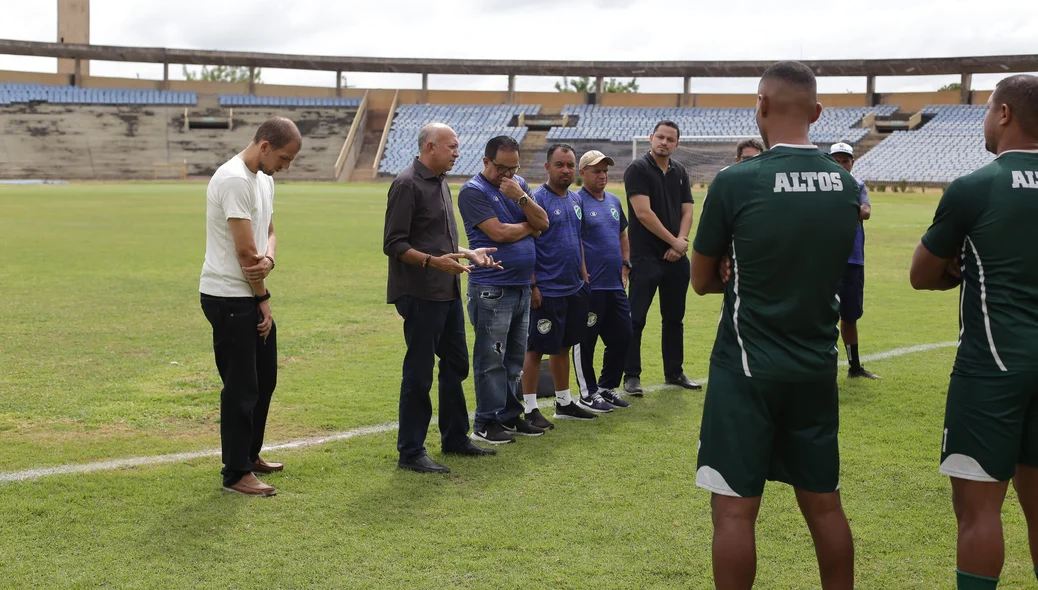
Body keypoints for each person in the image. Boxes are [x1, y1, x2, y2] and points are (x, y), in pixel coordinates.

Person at [690, 61, 861, 589]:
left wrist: (732, 272)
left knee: (736, 513)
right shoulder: (846, 186)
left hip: (746, 369)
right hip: (814, 365)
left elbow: (701, 280)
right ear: (817, 111)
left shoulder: (736, 182)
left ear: (760, 104)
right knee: (825, 506)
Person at [909, 74, 1038, 590]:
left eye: (987, 110)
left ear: (1004, 114)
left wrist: (959, 268)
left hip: (993, 368)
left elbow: (921, 274)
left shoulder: (975, 187)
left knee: (979, 510)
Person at [383, 123, 503, 474]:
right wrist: (434, 262)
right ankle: (411, 451)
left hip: (446, 290)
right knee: (419, 373)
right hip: (420, 293)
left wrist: (467, 253)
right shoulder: (406, 184)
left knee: (456, 365)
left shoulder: (439, 182)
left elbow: (436, 240)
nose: (457, 152)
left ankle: (455, 437)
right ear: (431, 147)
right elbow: (394, 244)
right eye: (452, 146)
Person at [199, 117, 301, 497]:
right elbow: (244, 252)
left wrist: (270, 260)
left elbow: (269, 233)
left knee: (265, 380)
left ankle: (250, 454)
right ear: (264, 146)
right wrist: (263, 298)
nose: (285, 166)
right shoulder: (234, 179)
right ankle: (236, 473)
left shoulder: (264, 180)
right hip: (228, 296)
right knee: (241, 387)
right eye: (284, 157)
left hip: (250, 293)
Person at [458, 136, 551, 444]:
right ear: (486, 161)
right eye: (502, 168)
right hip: (492, 288)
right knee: (491, 359)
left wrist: (522, 199)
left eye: (514, 168)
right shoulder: (473, 192)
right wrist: (528, 226)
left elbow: (545, 222)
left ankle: (510, 416)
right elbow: (498, 232)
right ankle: (485, 422)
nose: (508, 175)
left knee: (514, 358)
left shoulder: (518, 184)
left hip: (522, 286)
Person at [521, 144, 600, 422]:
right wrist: (533, 285)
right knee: (536, 348)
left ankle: (564, 403)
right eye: (559, 165)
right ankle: (529, 408)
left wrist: (584, 274)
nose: (565, 170)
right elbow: (528, 244)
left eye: (569, 165)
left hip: (574, 287)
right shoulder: (537, 199)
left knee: (564, 346)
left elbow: (576, 239)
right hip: (547, 289)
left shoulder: (576, 200)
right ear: (547, 167)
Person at [623, 119, 700, 395]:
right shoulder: (638, 169)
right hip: (646, 258)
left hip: (676, 260)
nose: (664, 142)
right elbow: (644, 214)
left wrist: (681, 243)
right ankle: (631, 376)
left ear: (677, 144)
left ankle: (674, 372)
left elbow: (688, 210)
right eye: (660, 137)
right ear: (650, 137)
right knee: (636, 319)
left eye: (670, 139)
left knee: (674, 318)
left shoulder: (680, 171)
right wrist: (675, 242)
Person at [571, 150, 631, 410]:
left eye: (605, 170)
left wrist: (626, 266)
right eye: (596, 170)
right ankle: (588, 393)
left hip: (614, 284)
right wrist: (582, 273)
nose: (602, 175)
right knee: (586, 341)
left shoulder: (615, 201)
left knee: (623, 336)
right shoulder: (576, 201)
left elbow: (622, 236)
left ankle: (607, 387)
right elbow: (574, 241)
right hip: (590, 285)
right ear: (582, 173)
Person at [829, 142, 880, 380]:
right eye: (836, 160)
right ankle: (821, 367)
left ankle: (854, 367)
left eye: (845, 160)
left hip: (852, 261)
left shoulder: (857, 185)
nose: (841, 165)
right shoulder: (821, 187)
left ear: (852, 162)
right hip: (824, 261)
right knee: (819, 315)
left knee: (850, 316)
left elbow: (866, 211)